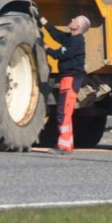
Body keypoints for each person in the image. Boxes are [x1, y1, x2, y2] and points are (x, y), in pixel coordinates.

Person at [40, 14, 90, 155]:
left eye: (74, 20)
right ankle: (66, 144)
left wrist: (46, 47)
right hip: (66, 78)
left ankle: (64, 147)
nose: (71, 19)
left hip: (71, 79)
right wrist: (42, 20)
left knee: (64, 112)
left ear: (78, 26)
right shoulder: (70, 38)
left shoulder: (77, 42)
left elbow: (60, 55)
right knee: (63, 112)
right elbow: (56, 34)